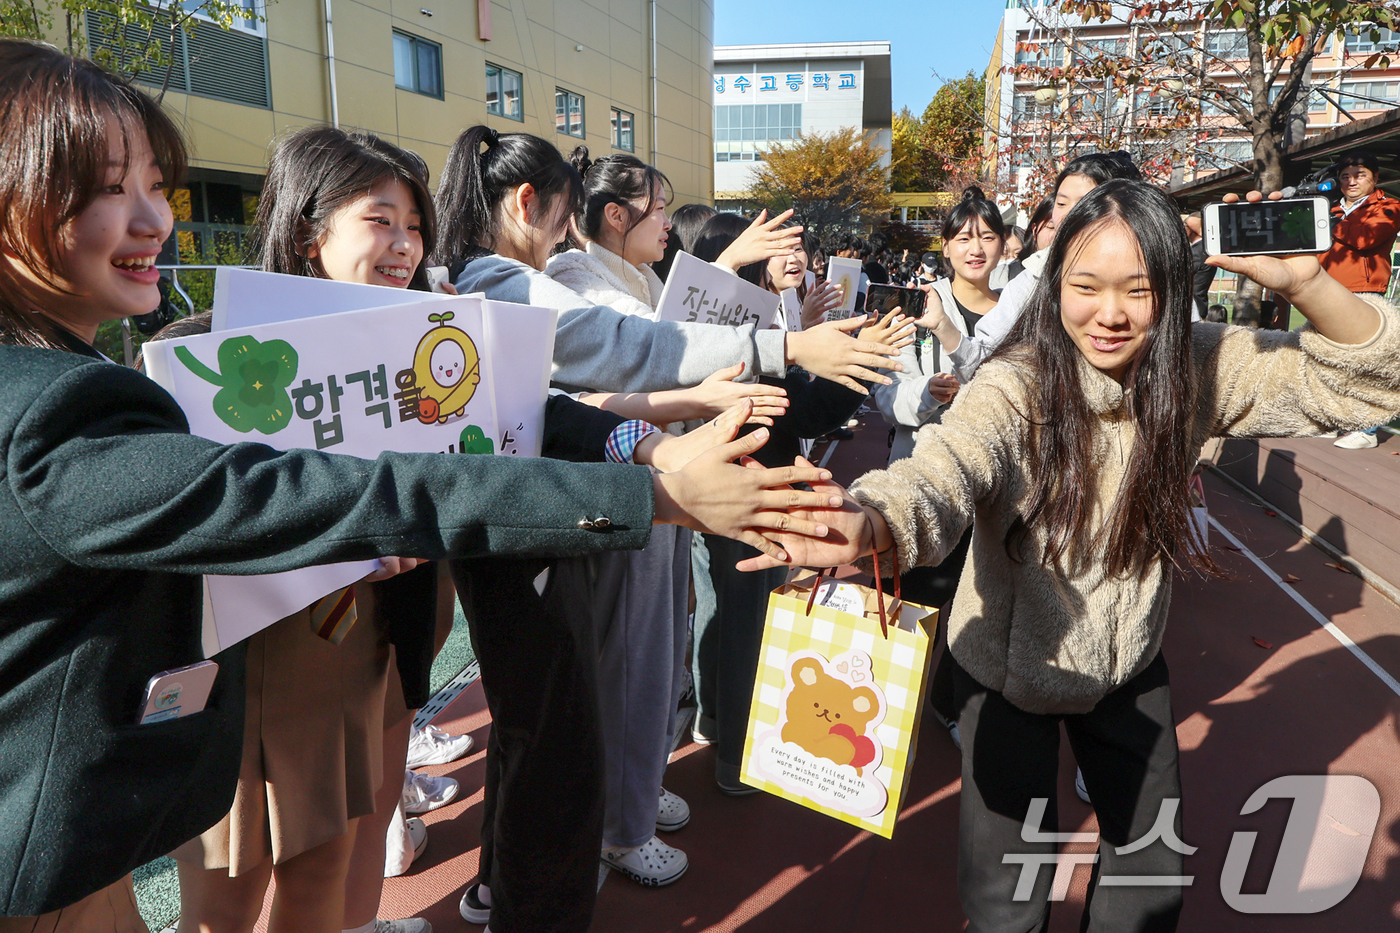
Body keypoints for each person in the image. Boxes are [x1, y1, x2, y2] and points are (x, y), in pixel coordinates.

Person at [0, 43, 839, 930]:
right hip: (253, 685)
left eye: (158, 190)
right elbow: (350, 492)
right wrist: (658, 496)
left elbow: (529, 406)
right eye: (108, 188)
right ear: (309, 229)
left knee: (341, 872)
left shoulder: (419, 336)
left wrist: (647, 450)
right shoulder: (182, 365)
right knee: (236, 889)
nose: (155, 222)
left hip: (372, 654)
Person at [743, 180, 1400, 933]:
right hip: (1002, 669)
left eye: (1139, 289)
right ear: (1056, 285)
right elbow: (943, 469)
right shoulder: (1015, 384)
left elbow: (1365, 380)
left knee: (1150, 889)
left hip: (1127, 665)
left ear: (1170, 287)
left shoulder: (1195, 365)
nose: (1110, 314)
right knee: (1006, 906)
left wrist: (1311, 281)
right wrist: (869, 518)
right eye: (1086, 286)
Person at [543, 149, 789, 888]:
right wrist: (731, 269)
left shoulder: (642, 276)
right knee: (624, 656)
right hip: (625, 486)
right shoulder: (572, 279)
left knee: (657, 649)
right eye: (657, 209)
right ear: (614, 216)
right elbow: (650, 354)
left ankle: (634, 793)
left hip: (665, 478)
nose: (666, 224)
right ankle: (618, 827)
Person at [685, 211, 913, 796]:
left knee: (722, 612)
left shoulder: (764, 316)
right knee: (747, 625)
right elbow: (803, 410)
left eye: (801, 247)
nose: (797, 259)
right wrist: (858, 362)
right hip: (751, 489)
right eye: (779, 247)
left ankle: (715, 723)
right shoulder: (748, 327)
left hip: (728, 484)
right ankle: (737, 756)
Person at [930, 153, 1143, 381]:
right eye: (1061, 203)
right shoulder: (1035, 277)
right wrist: (943, 326)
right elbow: (981, 359)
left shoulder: (1151, 260)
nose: (1066, 215)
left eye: (1083, 203)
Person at [1321, 150, 1400, 449]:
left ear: (1375, 178)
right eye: (1345, 176)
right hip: (1325, 291)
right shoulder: (1329, 209)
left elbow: (1366, 238)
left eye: (1360, 175)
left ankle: (1366, 430)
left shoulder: (1390, 206)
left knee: (1366, 362)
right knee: (1328, 360)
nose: (1351, 181)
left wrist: (1326, 223)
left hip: (1364, 292)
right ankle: (1333, 421)